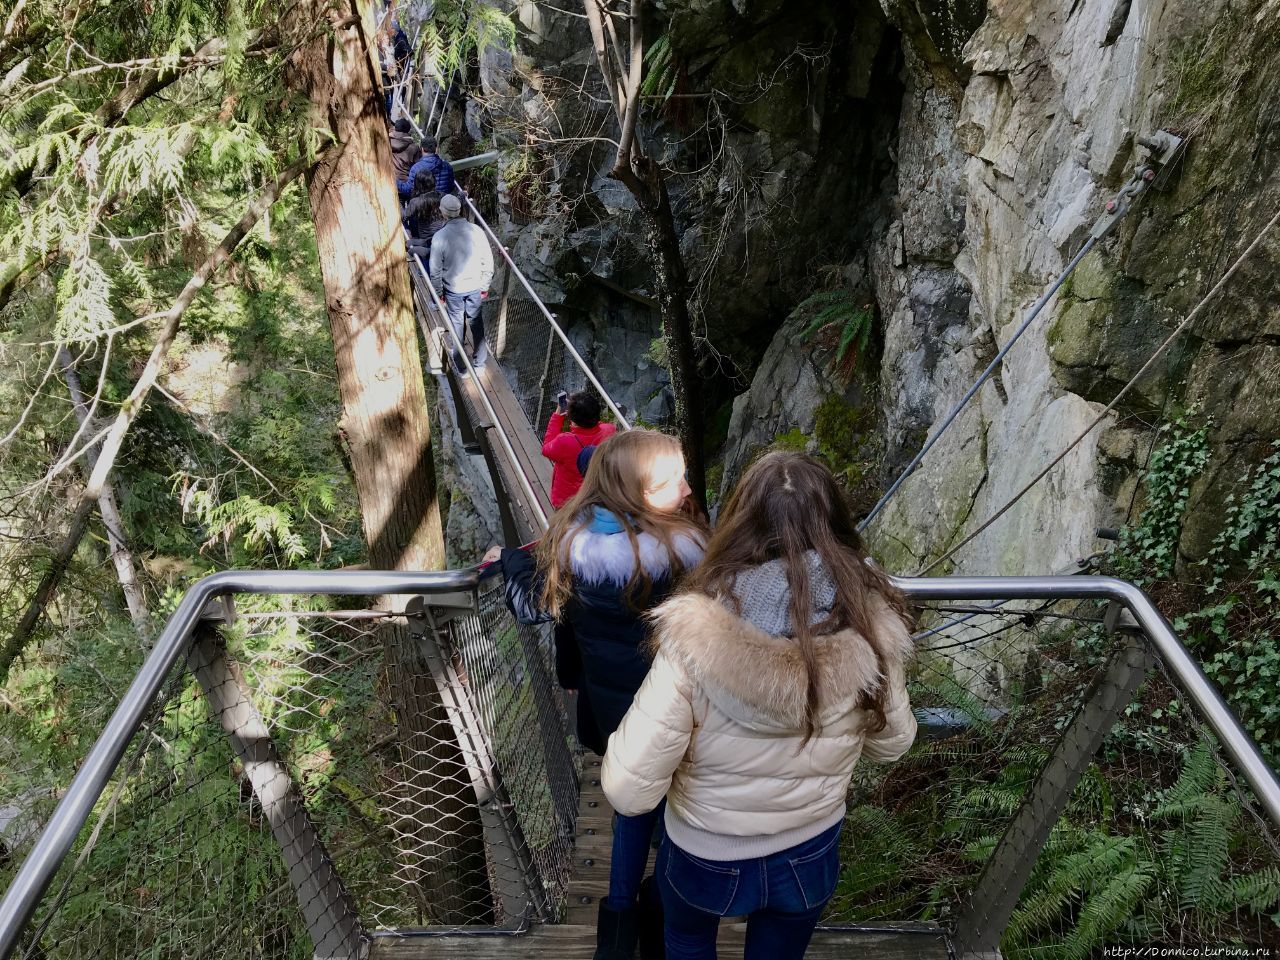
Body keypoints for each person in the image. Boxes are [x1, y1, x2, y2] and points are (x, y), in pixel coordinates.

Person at [601, 451, 918, 960]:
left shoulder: (694, 637)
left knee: (686, 941)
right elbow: (894, 743)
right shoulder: (870, 627)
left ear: (740, 523)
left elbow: (628, 789)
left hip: (707, 851)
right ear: (836, 522)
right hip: (810, 846)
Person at [489, 429, 706, 960]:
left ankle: (616, 929)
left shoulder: (571, 550)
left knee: (630, 809)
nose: (686, 487)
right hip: (682, 715)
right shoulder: (688, 558)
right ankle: (665, 904)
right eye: (673, 480)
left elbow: (531, 603)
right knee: (680, 807)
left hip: (614, 713)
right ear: (640, 493)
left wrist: (506, 559)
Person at [429, 193, 494, 371]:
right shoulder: (477, 231)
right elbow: (488, 261)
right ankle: (480, 364)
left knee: (456, 325)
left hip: (453, 291)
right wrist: (485, 285)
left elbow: (435, 271)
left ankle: (461, 367)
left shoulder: (439, 237)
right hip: (474, 287)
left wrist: (438, 293)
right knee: (476, 323)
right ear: (460, 210)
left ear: (443, 213)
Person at [543, 391, 618, 509]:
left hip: (567, 500)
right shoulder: (609, 431)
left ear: (571, 417)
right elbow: (599, 426)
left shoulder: (564, 441)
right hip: (593, 496)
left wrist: (557, 417)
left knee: (564, 525)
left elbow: (546, 449)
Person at [398, 135, 455, 199]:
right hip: (443, 204)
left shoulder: (416, 168)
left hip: (425, 206)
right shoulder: (447, 166)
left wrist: (396, 182)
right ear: (436, 149)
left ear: (422, 149)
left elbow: (408, 190)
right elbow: (451, 187)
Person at [404, 185, 443, 262]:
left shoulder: (424, 210)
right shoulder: (440, 213)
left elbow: (405, 215)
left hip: (435, 246)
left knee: (414, 248)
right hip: (431, 241)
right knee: (409, 243)